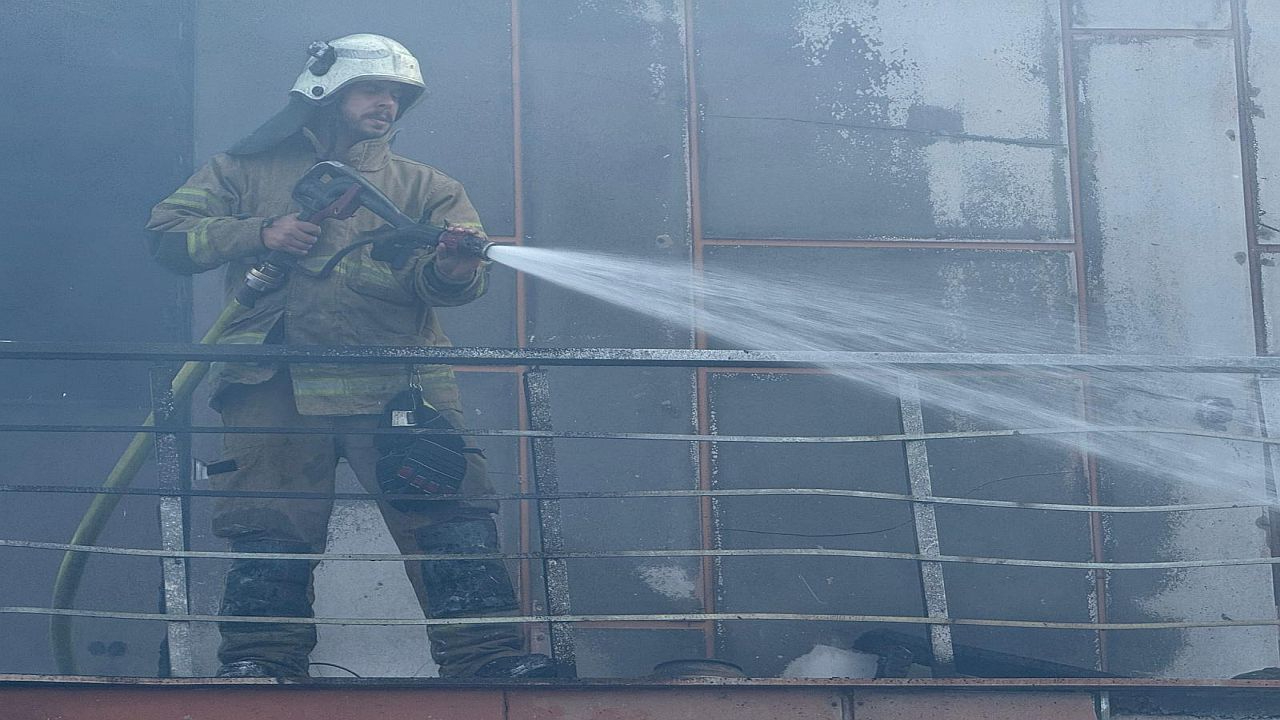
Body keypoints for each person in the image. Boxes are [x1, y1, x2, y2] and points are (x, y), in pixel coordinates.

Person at [146, 33, 553, 680]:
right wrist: (258, 231)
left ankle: (487, 666)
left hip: (399, 390)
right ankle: (259, 665)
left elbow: (455, 286)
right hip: (272, 385)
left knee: (452, 524)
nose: (387, 105)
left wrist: (449, 267)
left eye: (397, 95)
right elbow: (167, 237)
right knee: (269, 531)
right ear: (324, 92)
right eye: (372, 89)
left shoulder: (426, 187)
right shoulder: (244, 170)